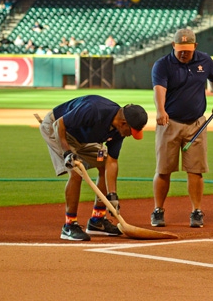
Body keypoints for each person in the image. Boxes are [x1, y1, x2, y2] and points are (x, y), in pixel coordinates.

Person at [39, 96, 148, 241]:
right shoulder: (94, 110)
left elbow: (112, 161)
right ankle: (69, 225)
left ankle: (97, 220)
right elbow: (60, 124)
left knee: (103, 165)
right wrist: (67, 153)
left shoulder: (119, 131)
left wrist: (112, 195)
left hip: (84, 138)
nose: (131, 135)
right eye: (131, 131)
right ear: (123, 123)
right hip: (58, 130)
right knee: (76, 171)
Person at [151, 28, 213, 228]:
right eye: (180, 49)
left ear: (195, 47)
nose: (184, 53)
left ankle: (196, 211)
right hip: (169, 123)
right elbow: (159, 89)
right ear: (173, 46)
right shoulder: (162, 65)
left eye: (188, 50)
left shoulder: (205, 61)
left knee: (195, 171)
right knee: (163, 170)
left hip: (196, 124)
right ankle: (158, 210)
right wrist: (160, 111)